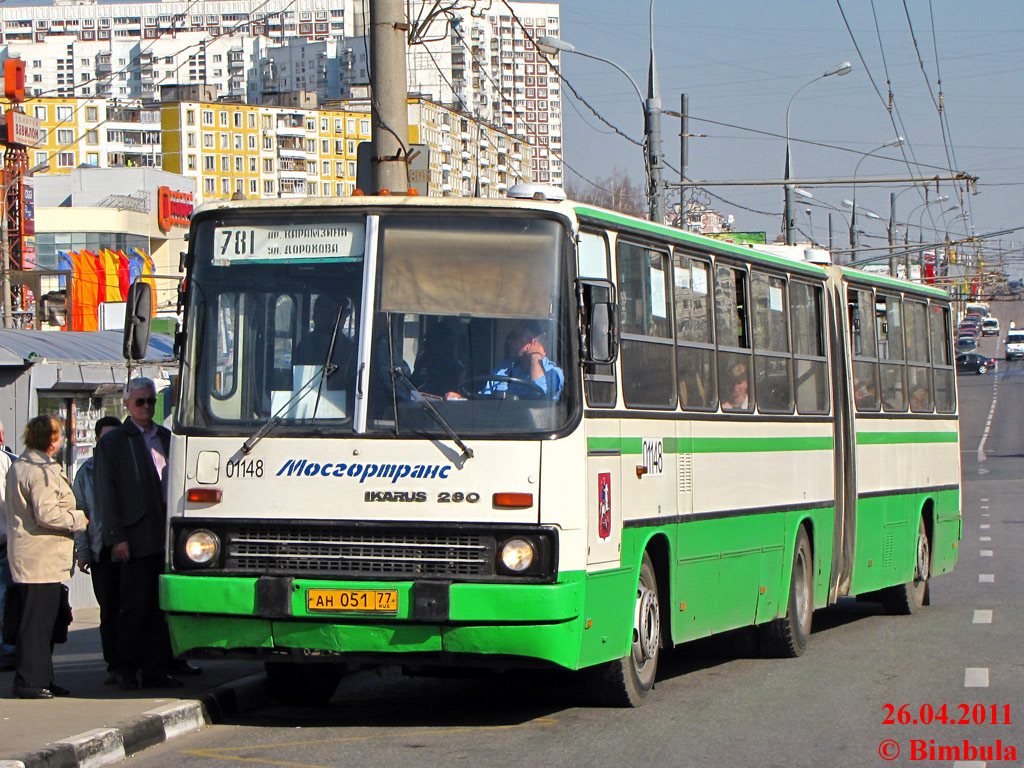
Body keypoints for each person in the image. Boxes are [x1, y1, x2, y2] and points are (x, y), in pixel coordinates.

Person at [94, 378, 188, 690]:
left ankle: (156, 668)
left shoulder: (165, 436)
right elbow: (106, 495)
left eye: (150, 401)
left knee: (161, 606)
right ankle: (125, 668)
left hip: (165, 535)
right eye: (140, 402)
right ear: (127, 405)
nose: (146, 407)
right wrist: (116, 537)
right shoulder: (114, 442)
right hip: (134, 537)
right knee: (133, 607)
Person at [4, 414, 87, 699]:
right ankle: (29, 681)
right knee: (37, 625)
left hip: (43, 559)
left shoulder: (33, 465)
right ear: (51, 440)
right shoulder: (36, 470)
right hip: (38, 560)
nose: (63, 439)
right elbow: (47, 513)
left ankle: (43, 678)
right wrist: (78, 519)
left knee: (47, 623)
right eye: (60, 435)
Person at [72, 415, 123, 684]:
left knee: (133, 608)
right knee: (109, 610)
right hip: (101, 549)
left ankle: (133, 662)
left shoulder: (130, 467)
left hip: (129, 550)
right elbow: (80, 516)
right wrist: (82, 553)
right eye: (107, 438)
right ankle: (114, 664)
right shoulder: (86, 473)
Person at [448, 320, 563, 400]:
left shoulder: (553, 373)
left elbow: (540, 396)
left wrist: (535, 356)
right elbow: (483, 399)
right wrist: (461, 399)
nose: (509, 341)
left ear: (531, 342)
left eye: (515, 336)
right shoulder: (503, 369)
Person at [0, 419, 17, 671]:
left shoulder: (9, 461)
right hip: (5, 540)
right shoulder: (8, 462)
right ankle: (6, 650)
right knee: (5, 599)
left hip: (6, 543)